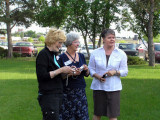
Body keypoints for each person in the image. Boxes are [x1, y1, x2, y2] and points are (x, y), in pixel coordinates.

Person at [88, 29, 128, 120]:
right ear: (103, 39)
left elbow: (125, 71)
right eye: (109, 37)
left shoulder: (121, 54)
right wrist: (97, 76)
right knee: (97, 113)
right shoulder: (95, 53)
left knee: (113, 115)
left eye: (113, 37)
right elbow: (90, 68)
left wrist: (115, 72)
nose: (112, 39)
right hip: (98, 87)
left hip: (114, 88)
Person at [36, 28, 74, 120]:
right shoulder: (43, 55)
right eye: (59, 42)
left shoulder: (54, 55)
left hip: (57, 94)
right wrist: (61, 70)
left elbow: (59, 75)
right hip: (48, 95)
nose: (61, 46)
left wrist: (69, 72)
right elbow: (42, 76)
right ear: (52, 40)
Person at [58, 32, 90, 120]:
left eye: (78, 42)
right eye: (76, 42)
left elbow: (87, 74)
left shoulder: (81, 56)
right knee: (68, 116)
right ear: (69, 43)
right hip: (67, 93)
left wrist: (86, 69)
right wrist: (72, 73)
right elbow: (60, 76)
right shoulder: (61, 58)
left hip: (80, 92)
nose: (78, 44)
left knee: (82, 116)